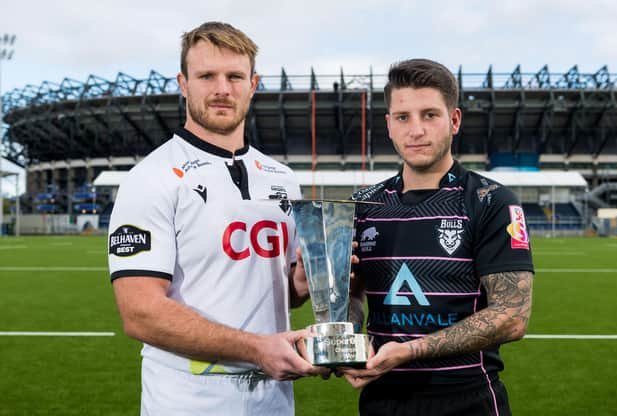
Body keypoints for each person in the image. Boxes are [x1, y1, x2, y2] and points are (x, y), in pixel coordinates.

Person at [108, 21, 325, 416]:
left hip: (273, 401)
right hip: (186, 402)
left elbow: (283, 295)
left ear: (253, 84)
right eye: (207, 75)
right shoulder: (150, 178)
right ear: (183, 83)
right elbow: (140, 312)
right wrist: (257, 349)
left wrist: (302, 283)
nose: (222, 89)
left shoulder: (282, 178)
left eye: (235, 76)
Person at [342, 59, 535, 416]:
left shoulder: (491, 201)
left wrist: (412, 350)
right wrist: (347, 347)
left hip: (467, 398)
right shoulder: (361, 206)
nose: (416, 130)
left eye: (429, 115)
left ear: (455, 120)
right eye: (403, 117)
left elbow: (512, 315)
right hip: (382, 399)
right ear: (389, 125)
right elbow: (351, 296)